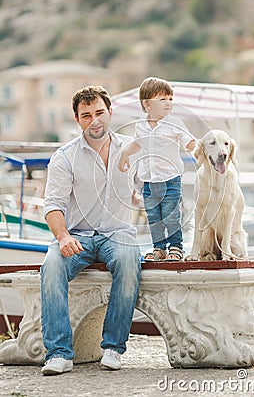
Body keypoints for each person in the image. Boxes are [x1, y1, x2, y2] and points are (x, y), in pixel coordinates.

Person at [40, 85, 141, 375]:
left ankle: (112, 348)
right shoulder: (65, 156)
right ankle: (59, 354)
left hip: (118, 233)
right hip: (77, 236)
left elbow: (141, 192)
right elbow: (53, 204)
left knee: (128, 260)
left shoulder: (131, 149)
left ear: (110, 113)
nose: (94, 120)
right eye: (86, 115)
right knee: (52, 266)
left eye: (99, 113)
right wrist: (62, 236)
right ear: (77, 120)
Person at [118, 77, 196, 262]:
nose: (168, 103)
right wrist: (124, 155)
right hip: (149, 181)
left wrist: (196, 146)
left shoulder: (174, 122)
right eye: (162, 99)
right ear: (147, 104)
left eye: (170, 99)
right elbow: (137, 143)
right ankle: (159, 248)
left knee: (171, 216)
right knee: (154, 217)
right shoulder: (141, 125)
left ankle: (176, 247)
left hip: (171, 179)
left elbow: (188, 141)